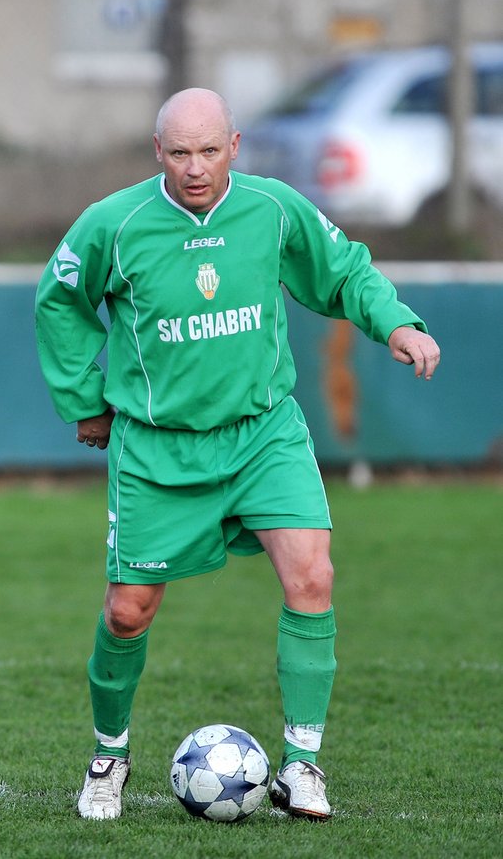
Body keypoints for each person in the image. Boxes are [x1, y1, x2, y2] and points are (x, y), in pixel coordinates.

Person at [34, 87, 440, 822]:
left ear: (235, 146)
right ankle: (108, 756)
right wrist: (85, 401)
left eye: (210, 151)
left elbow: (344, 269)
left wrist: (398, 326)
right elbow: (57, 299)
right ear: (158, 151)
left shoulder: (274, 208)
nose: (196, 168)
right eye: (181, 153)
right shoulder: (112, 224)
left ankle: (303, 766)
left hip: (263, 434)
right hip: (159, 451)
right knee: (128, 612)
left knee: (312, 576)